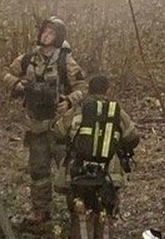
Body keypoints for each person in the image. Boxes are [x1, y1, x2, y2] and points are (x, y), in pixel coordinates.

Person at [2, 15, 87, 226]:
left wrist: (68, 101)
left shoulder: (65, 61)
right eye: (45, 31)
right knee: (38, 171)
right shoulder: (28, 58)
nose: (46, 35)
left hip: (60, 126)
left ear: (58, 37)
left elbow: (82, 87)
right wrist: (16, 84)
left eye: (51, 33)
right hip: (35, 125)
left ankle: (77, 212)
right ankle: (41, 212)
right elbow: (5, 73)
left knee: (69, 171)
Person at [58, 74, 140, 229]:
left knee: (79, 212)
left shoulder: (78, 111)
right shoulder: (116, 112)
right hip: (110, 174)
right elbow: (133, 137)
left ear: (89, 91)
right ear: (107, 91)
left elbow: (58, 132)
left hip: (78, 172)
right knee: (107, 211)